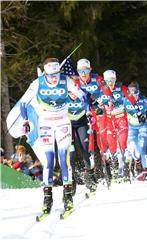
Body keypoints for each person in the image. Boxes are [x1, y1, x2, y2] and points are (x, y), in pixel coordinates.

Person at [20, 57, 86, 214]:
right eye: (51, 75)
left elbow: (82, 95)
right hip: (46, 124)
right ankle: (47, 198)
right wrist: (26, 121)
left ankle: (68, 196)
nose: (55, 78)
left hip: (63, 122)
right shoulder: (38, 83)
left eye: (57, 73)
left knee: (65, 159)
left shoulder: (66, 81)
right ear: (45, 74)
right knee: (49, 160)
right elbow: (23, 102)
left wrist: (92, 107)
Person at [76, 59, 113, 186]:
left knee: (101, 137)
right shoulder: (76, 82)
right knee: (89, 138)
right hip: (86, 111)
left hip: (100, 108)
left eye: (86, 70)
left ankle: (106, 164)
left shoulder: (97, 78)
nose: (83, 73)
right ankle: (90, 171)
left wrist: (110, 99)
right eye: (81, 71)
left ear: (90, 70)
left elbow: (106, 90)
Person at [101, 69, 134, 183]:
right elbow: (92, 102)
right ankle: (114, 171)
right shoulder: (100, 90)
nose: (111, 82)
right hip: (109, 120)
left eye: (113, 80)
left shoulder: (121, 88)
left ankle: (125, 171)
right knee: (112, 145)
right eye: (108, 80)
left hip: (121, 118)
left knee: (123, 142)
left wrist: (136, 110)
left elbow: (132, 99)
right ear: (104, 81)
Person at [67, 88, 96, 195]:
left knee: (85, 150)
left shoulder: (82, 95)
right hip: (68, 126)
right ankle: (72, 181)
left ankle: (91, 179)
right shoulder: (64, 98)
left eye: (74, 92)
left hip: (81, 124)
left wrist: (91, 113)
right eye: (70, 92)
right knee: (71, 154)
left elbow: (90, 104)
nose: (73, 95)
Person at [123, 81, 147, 181]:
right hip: (131, 127)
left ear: (138, 92)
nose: (132, 97)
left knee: (142, 146)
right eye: (130, 95)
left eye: (134, 94)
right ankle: (137, 162)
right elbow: (117, 111)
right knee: (133, 147)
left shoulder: (144, 101)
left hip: (143, 126)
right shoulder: (125, 100)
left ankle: (146, 169)